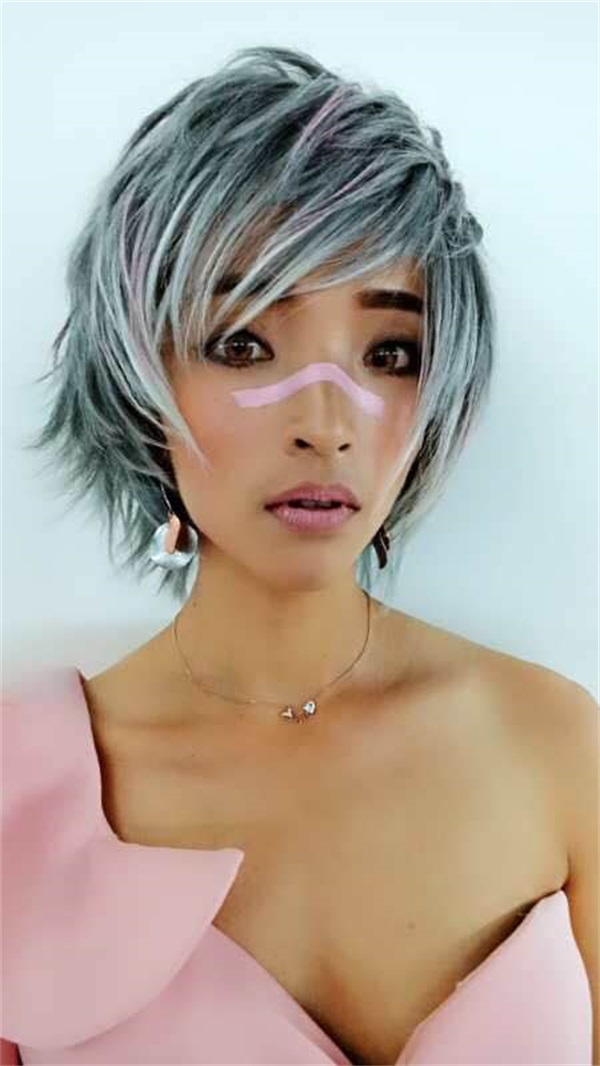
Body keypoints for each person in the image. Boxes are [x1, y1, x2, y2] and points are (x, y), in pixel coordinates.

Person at [2, 44, 597, 1066]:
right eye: (244, 343)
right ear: (138, 378)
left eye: (390, 352)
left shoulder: (555, 744)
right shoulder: (21, 789)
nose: (326, 423)